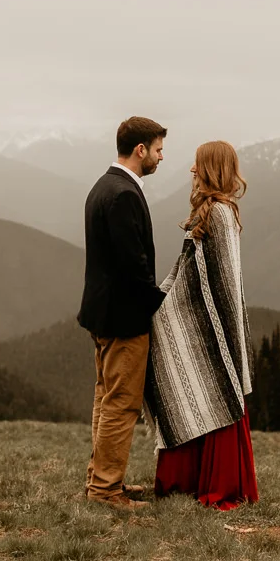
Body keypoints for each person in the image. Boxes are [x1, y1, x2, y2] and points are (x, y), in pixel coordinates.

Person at [146, 140, 259, 510]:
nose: (192, 171)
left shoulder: (220, 215)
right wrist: (157, 304)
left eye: (197, 165)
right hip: (205, 322)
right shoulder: (208, 213)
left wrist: (180, 311)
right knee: (188, 391)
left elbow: (222, 283)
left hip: (217, 328)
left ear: (210, 168)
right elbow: (185, 271)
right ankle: (188, 479)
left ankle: (216, 483)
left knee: (213, 392)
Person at [77, 116, 169, 510]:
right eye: (159, 149)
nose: (162, 157)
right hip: (123, 318)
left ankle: (100, 480)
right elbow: (134, 264)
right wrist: (156, 302)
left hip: (101, 314)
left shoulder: (103, 186)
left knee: (105, 398)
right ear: (140, 150)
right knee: (121, 403)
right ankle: (105, 490)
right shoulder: (126, 194)